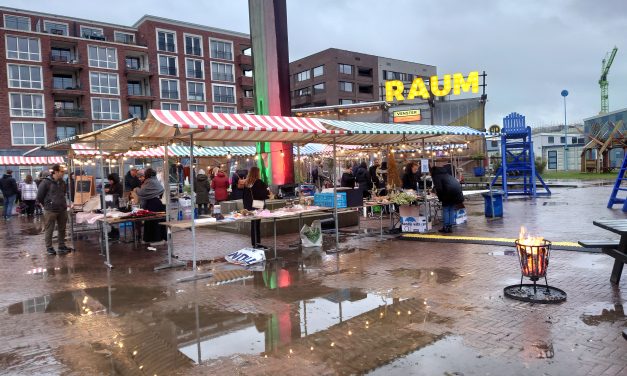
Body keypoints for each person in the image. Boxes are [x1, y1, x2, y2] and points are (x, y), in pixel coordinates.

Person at [36, 164, 72, 255]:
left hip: (62, 209)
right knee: (49, 229)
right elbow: (39, 196)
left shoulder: (62, 182)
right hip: (50, 210)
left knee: (62, 228)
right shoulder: (45, 182)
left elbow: (63, 193)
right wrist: (47, 205)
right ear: (56, 172)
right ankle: (49, 248)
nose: (63, 173)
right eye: (62, 171)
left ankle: (61, 245)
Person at [134, 168, 166, 245]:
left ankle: (158, 239)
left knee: (154, 222)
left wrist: (136, 189)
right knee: (150, 221)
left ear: (147, 174)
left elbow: (142, 192)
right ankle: (149, 239)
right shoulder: (154, 180)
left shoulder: (149, 181)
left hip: (153, 203)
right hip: (155, 203)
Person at [431, 166, 464, 234]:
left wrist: (440, 198)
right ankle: (450, 227)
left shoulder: (436, 176)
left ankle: (445, 227)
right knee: (451, 209)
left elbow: (439, 188)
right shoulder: (447, 174)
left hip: (448, 193)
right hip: (456, 192)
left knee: (446, 209)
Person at [242, 166, 269, 247]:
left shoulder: (247, 183)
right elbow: (263, 194)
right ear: (257, 173)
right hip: (258, 205)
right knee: (257, 224)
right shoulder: (259, 182)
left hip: (249, 206)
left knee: (253, 224)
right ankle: (257, 243)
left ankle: (254, 243)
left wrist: (247, 207)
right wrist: (267, 193)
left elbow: (244, 196)